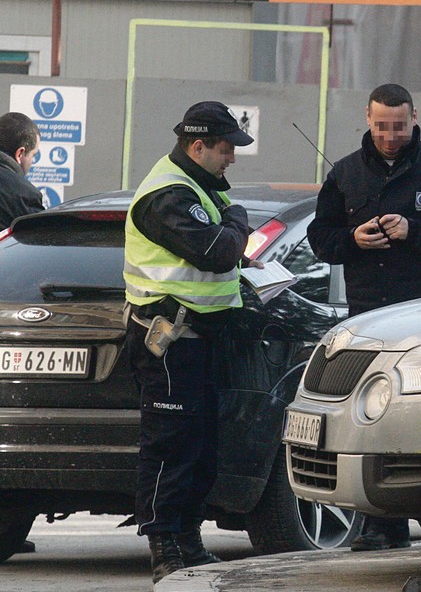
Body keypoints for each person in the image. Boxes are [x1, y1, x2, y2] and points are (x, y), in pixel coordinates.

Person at [123, 101, 258, 584]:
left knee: (200, 447)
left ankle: (188, 539)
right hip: (169, 341)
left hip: (199, 340)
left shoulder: (198, 188)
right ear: (198, 146)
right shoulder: (168, 195)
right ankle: (164, 545)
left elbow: (220, 256)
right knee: (170, 445)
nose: (232, 159)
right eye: (226, 149)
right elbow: (217, 251)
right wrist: (238, 220)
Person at [307, 83, 421, 551]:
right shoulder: (345, 173)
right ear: (367, 118)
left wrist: (413, 231)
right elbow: (320, 239)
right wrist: (353, 240)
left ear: (414, 118)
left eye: (398, 126)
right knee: (369, 416)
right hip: (367, 315)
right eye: (381, 126)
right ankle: (380, 525)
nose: (389, 136)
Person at [0, 111, 45, 230]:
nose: (32, 161)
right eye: (33, 155)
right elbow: (39, 236)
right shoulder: (25, 195)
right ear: (20, 154)